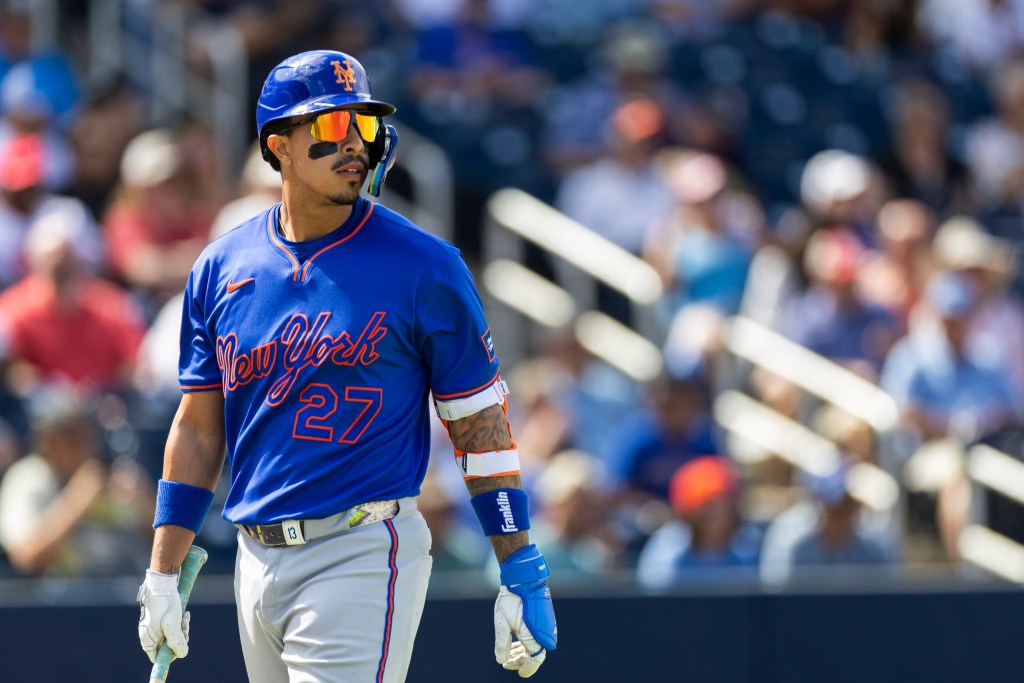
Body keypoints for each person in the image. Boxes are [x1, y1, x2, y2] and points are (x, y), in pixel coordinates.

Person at [134, 51, 556, 682]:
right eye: (329, 128)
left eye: (363, 126)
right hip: (255, 556)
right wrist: (163, 571)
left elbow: (479, 426)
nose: (353, 144)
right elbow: (197, 427)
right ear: (278, 145)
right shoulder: (220, 266)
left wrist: (519, 562)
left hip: (360, 548)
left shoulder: (425, 265)